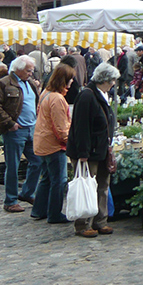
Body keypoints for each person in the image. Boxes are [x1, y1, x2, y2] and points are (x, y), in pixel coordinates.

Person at [67, 62, 120, 237]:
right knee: (87, 187)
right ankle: (83, 224)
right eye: (112, 80)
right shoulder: (87, 96)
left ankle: (100, 221)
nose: (114, 84)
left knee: (102, 186)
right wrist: (83, 153)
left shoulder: (101, 94)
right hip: (89, 152)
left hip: (102, 149)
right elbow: (80, 127)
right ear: (105, 79)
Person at [31, 63, 75, 223]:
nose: (72, 83)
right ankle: (54, 214)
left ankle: (38, 210)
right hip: (53, 145)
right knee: (59, 180)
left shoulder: (45, 93)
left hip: (42, 142)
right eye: (70, 80)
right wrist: (70, 142)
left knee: (47, 178)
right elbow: (61, 128)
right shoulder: (57, 98)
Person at [0, 56, 41, 213]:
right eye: (28, 70)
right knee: (13, 166)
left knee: (37, 161)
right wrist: (10, 123)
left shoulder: (29, 83)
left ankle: (27, 193)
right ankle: (10, 200)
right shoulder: (5, 83)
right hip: (15, 131)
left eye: (32, 70)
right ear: (18, 69)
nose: (31, 73)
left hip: (32, 129)